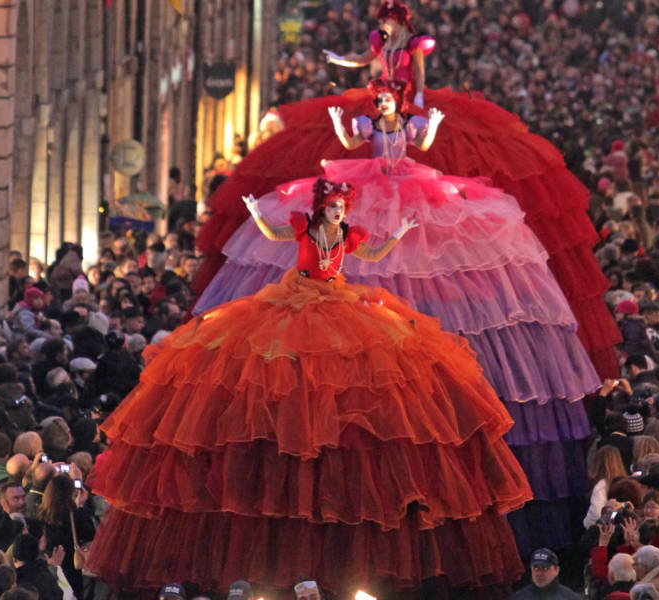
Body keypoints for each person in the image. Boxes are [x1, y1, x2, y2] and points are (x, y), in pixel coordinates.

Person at [194, 75, 602, 551]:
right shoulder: (322, 212)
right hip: (315, 285)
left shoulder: (360, 208)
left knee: (405, 302)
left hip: (403, 192)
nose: (383, 102)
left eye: (388, 97)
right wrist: (271, 204)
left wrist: (404, 224)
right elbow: (306, 206)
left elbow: (376, 244)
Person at [85, 179, 533, 593]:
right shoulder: (303, 229)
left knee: (354, 385)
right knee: (278, 374)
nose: (338, 213)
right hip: (295, 300)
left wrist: (399, 234)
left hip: (338, 302)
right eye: (333, 207)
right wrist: (257, 217)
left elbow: (373, 257)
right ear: (322, 209)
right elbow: (278, 237)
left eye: (342, 207)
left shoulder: (349, 235)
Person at [192, 1, 620, 389]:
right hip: (374, 173)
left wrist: (421, 111)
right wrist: (344, 81)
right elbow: (358, 94)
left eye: (389, 20)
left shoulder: (411, 60)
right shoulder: (375, 76)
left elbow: (419, 86)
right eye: (383, 21)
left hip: (406, 169)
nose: (384, 26)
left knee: (423, 237)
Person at [510, 548, 581, 600]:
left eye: (545, 569)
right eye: (536, 568)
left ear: (557, 570)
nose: (539, 574)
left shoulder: (569, 597)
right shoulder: (519, 597)